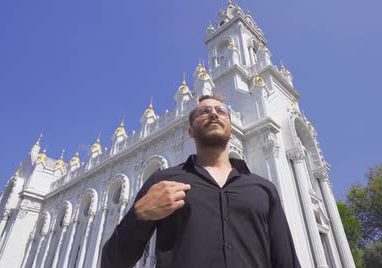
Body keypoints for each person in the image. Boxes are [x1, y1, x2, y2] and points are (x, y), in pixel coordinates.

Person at [101, 95, 301, 268]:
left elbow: (286, 260)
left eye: (221, 111)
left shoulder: (263, 189)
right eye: (204, 112)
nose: (213, 114)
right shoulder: (163, 181)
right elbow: (113, 262)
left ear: (231, 129)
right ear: (190, 131)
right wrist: (139, 215)